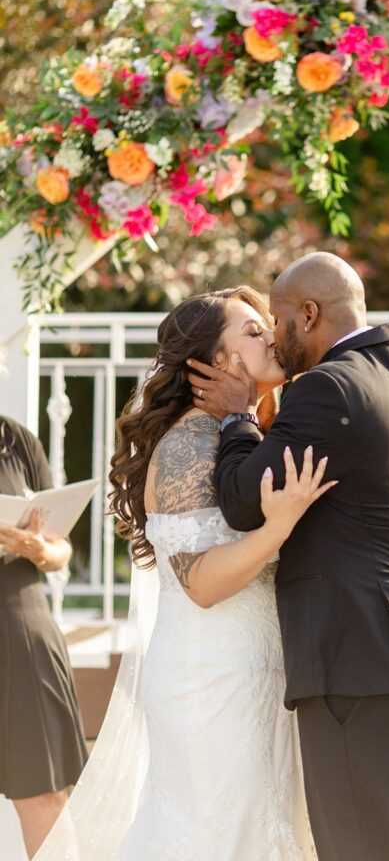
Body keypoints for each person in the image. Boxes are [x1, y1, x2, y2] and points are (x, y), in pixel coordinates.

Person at [188, 252, 389, 861]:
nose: (273, 333)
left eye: (278, 318)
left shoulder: (328, 387)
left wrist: (239, 416)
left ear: (310, 314)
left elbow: (246, 501)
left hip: (360, 661)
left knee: (362, 848)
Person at [105, 287, 332, 860]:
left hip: (256, 674)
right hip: (208, 681)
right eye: (254, 332)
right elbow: (201, 583)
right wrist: (276, 529)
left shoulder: (238, 433)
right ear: (215, 362)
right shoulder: (188, 445)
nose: (272, 337)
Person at [0, 415, 88, 859]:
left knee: (45, 796)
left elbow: (60, 549)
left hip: (20, 630)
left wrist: (39, 549)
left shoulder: (17, 441)